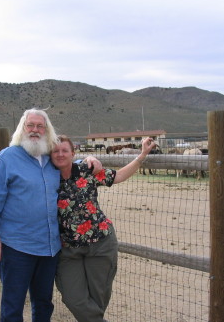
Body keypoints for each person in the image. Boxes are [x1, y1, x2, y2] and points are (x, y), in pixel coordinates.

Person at [0, 108, 101, 322]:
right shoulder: (7, 158)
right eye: (30, 125)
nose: (35, 130)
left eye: (40, 126)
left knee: (43, 303)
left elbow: (69, 164)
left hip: (49, 248)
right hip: (16, 246)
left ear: (47, 130)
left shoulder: (50, 157)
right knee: (13, 303)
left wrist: (89, 159)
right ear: (22, 129)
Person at [51, 135, 156, 322]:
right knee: (73, 298)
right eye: (55, 151)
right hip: (68, 249)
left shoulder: (86, 170)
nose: (60, 154)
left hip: (101, 243)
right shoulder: (45, 177)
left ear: (73, 153)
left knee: (98, 300)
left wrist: (142, 155)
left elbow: (119, 176)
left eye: (64, 150)